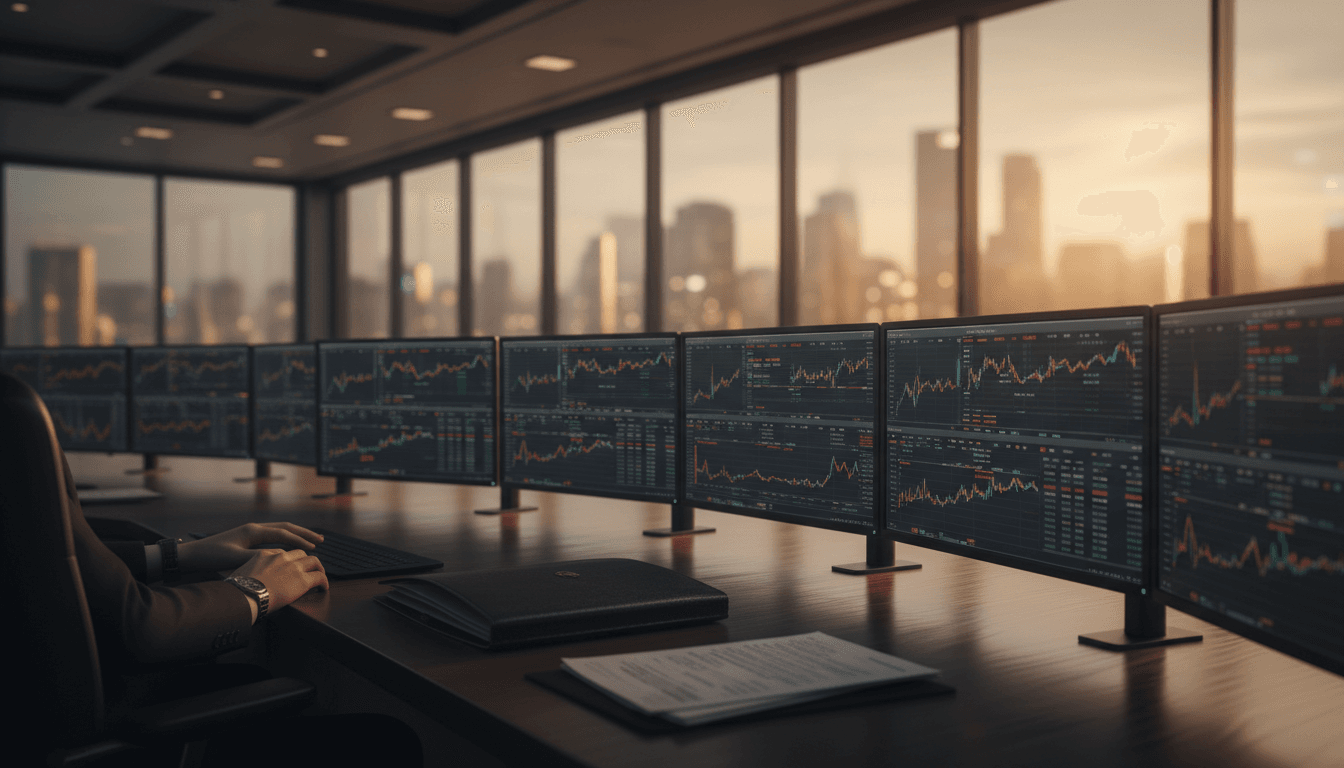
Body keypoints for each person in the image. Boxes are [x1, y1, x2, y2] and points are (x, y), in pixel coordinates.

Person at [59, 456, 421, 766]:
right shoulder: (17, 419)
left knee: (247, 676)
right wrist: (254, 591)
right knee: (390, 739)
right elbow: (141, 628)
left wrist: (177, 555)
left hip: (59, 695)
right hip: (92, 723)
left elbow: (54, 563)